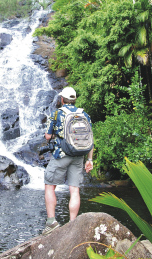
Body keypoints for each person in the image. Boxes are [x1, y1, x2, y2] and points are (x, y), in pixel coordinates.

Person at [42, 86, 94, 235]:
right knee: (74, 189)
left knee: (50, 185)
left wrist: (57, 136)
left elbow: (47, 136)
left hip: (61, 155)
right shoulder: (84, 114)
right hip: (79, 156)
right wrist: (89, 160)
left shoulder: (56, 114)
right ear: (75, 99)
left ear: (62, 99)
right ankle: (72, 224)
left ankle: (51, 222)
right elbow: (90, 138)